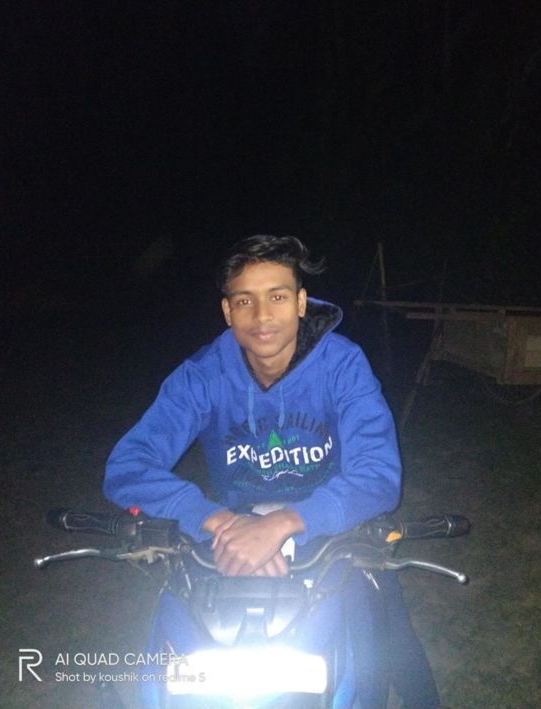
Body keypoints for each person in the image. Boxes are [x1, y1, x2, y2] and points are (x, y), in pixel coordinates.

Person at [103, 234, 440, 708]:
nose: (262, 316)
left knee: (388, 642)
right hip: (233, 539)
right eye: (245, 301)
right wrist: (217, 520)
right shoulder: (204, 374)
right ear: (228, 311)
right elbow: (128, 465)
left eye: (277, 297)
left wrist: (283, 524)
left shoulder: (342, 364)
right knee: (176, 653)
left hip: (334, 531)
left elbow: (378, 474)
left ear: (301, 303)